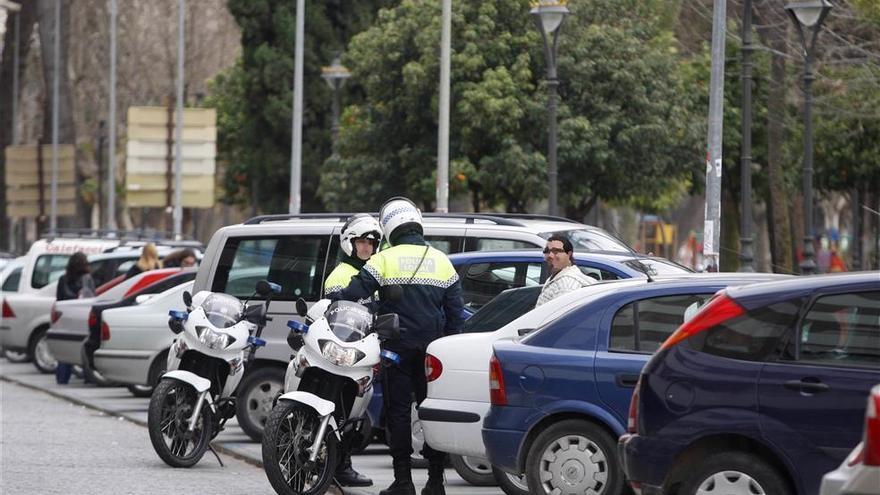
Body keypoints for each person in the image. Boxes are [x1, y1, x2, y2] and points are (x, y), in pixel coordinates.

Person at [328, 197, 464, 495]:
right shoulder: (442, 260)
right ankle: (435, 481)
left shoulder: (384, 259)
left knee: (399, 413)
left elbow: (354, 293)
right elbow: (456, 313)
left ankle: (403, 482)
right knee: (430, 412)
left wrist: (335, 296)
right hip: (435, 353)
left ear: (389, 227)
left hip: (396, 349)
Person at [324, 213, 382, 488]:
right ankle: (339, 465)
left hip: (364, 352)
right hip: (341, 353)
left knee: (353, 410)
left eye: (371, 243)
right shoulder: (342, 275)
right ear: (350, 243)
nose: (366, 248)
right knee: (342, 409)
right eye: (361, 242)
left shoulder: (375, 272)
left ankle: (337, 463)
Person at [54, 252, 96, 384]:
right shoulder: (87, 278)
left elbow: (59, 298)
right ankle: (87, 376)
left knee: (65, 348)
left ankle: (62, 377)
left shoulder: (63, 279)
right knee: (85, 346)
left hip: (65, 316)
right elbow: (93, 297)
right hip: (83, 315)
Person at [535, 234, 595, 307]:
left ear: (569, 254)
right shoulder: (557, 277)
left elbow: (561, 316)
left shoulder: (566, 287)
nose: (550, 255)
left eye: (556, 251)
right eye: (547, 251)